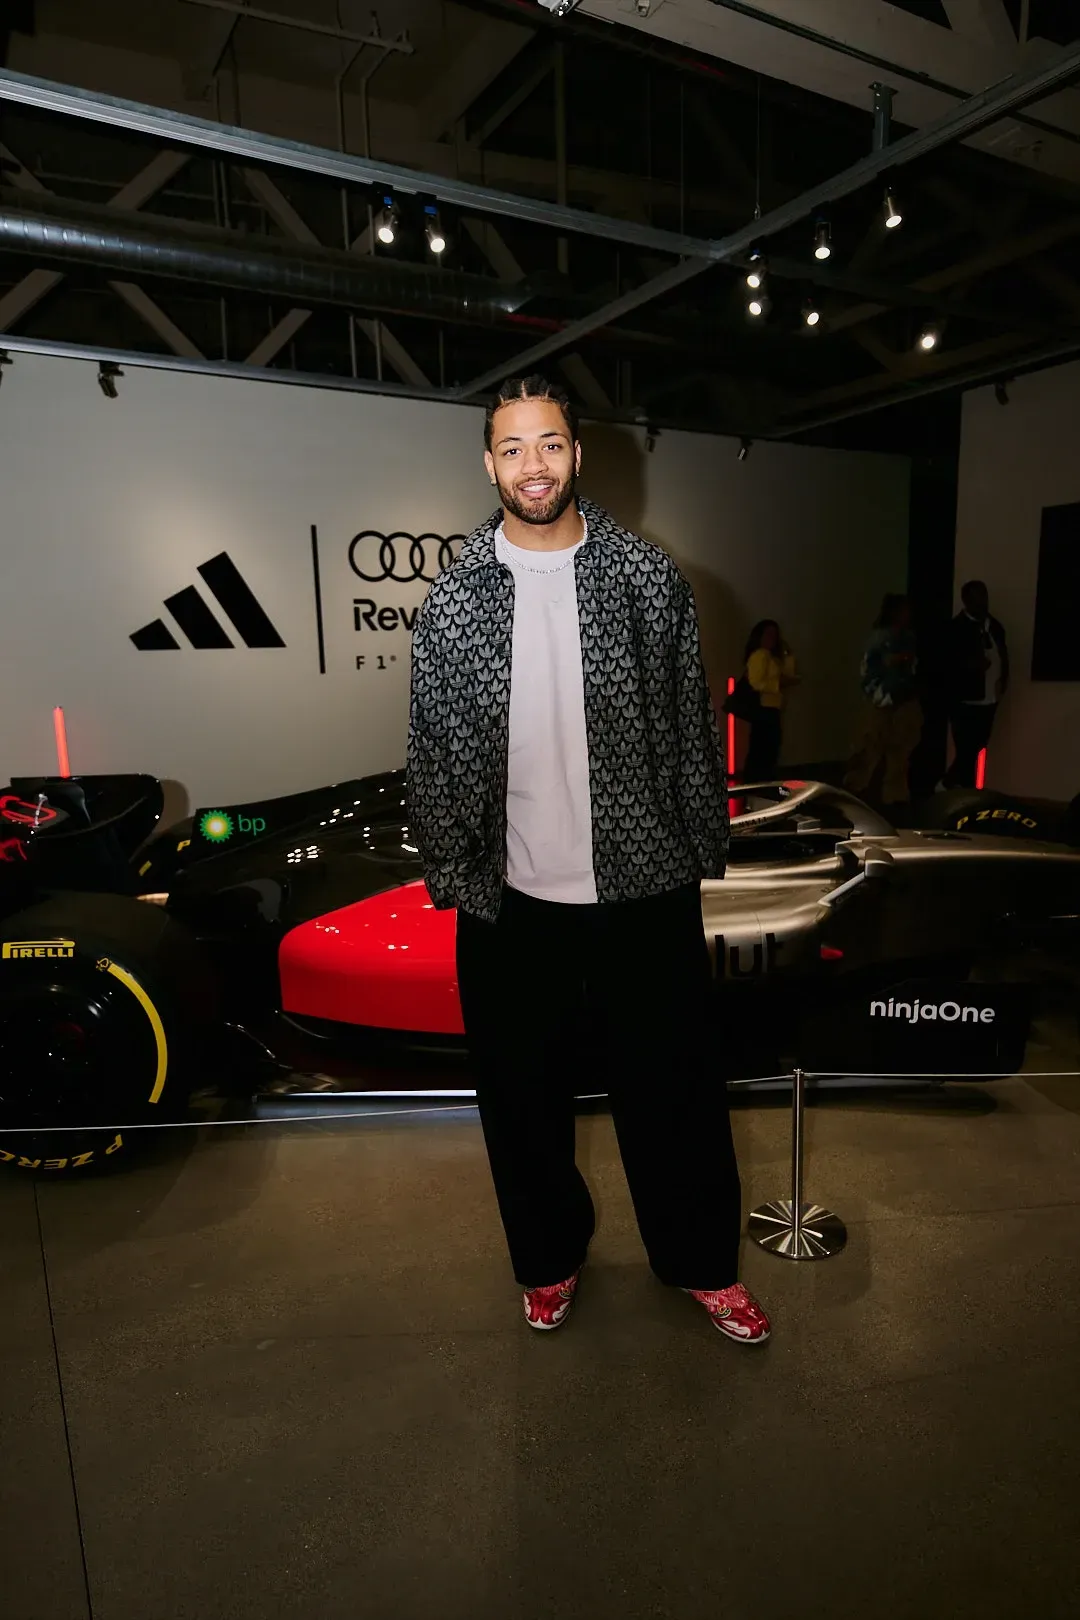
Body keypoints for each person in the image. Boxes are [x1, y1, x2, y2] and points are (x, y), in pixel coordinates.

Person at [407, 374, 769, 1346]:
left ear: (579, 454)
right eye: (514, 447)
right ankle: (548, 1260)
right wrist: (453, 866)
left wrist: (702, 845)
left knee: (677, 1096)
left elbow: (693, 732)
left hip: (644, 886)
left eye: (551, 444)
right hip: (509, 895)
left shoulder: (647, 578)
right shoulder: (453, 600)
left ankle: (703, 1265)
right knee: (521, 1105)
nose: (534, 464)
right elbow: (433, 744)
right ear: (489, 463)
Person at [843, 593, 922, 810]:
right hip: (882, 696)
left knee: (901, 746)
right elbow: (870, 667)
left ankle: (895, 793)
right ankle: (856, 786)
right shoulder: (879, 638)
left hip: (903, 696)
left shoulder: (908, 637)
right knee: (871, 743)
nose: (907, 614)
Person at [943, 580, 1009, 789]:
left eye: (984, 596)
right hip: (965, 700)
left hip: (990, 698)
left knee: (978, 746)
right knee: (966, 749)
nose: (983, 601)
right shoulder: (955, 629)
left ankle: (959, 786)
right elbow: (945, 664)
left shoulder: (995, 626)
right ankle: (959, 788)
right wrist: (971, 666)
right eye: (977, 597)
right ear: (966, 601)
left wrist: (1003, 681)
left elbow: (1003, 656)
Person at [742, 619, 798, 781]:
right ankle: (757, 787)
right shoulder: (760, 655)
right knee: (763, 752)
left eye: (775, 635)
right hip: (763, 709)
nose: (773, 638)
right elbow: (756, 682)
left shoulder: (770, 657)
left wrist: (787, 655)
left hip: (771, 708)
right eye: (769, 634)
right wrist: (778, 683)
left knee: (767, 751)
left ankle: (758, 788)